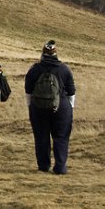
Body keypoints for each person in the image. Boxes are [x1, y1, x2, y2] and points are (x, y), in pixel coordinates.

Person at [25, 40, 76, 174]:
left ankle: (43, 166)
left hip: (38, 108)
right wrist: (70, 107)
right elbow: (71, 91)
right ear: (56, 54)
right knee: (61, 137)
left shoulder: (34, 69)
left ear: (42, 53)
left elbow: (28, 90)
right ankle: (60, 167)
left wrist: (31, 107)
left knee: (41, 137)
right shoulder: (64, 69)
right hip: (61, 109)